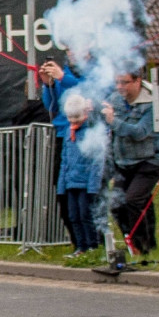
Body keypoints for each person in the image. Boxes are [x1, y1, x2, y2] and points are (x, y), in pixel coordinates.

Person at [102, 69, 159, 256]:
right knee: (117, 204)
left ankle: (140, 246)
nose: (119, 87)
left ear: (138, 81)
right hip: (124, 162)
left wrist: (113, 121)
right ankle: (138, 241)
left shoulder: (152, 103)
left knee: (132, 200)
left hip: (151, 160)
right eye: (117, 82)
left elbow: (140, 132)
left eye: (124, 82)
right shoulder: (115, 99)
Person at [39, 54, 82, 249]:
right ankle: (77, 242)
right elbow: (52, 106)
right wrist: (47, 85)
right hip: (61, 134)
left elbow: (89, 91)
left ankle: (90, 241)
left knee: (82, 189)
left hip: (83, 134)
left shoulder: (90, 69)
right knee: (61, 189)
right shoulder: (66, 71)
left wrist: (63, 77)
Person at [56, 93, 106, 258]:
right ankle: (80, 247)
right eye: (70, 117)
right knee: (73, 216)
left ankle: (92, 245)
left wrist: (93, 186)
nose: (73, 121)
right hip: (71, 183)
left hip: (86, 184)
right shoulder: (68, 134)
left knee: (86, 215)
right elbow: (64, 161)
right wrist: (61, 185)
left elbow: (96, 161)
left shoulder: (91, 131)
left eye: (76, 117)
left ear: (85, 113)